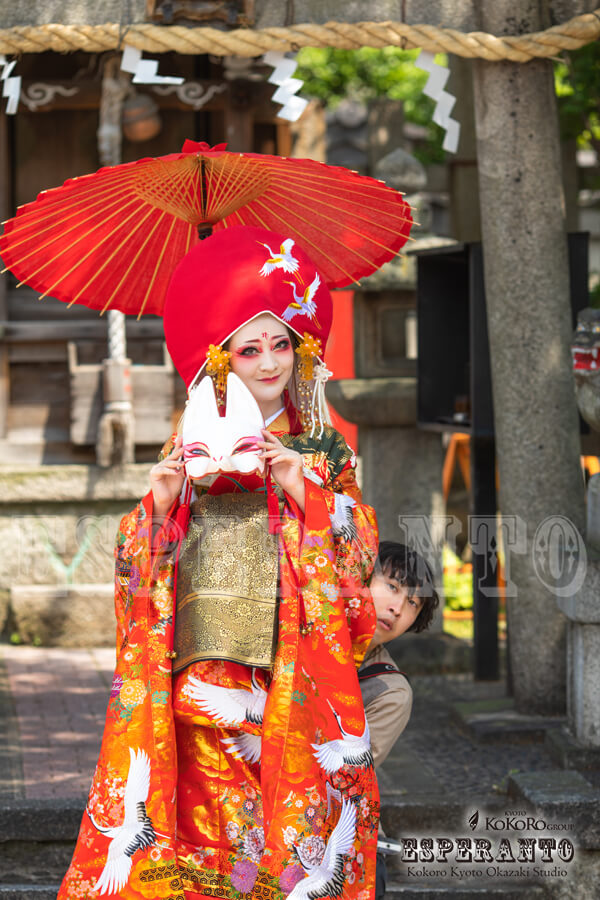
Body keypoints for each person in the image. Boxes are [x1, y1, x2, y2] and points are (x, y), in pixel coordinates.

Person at [58, 226, 381, 900]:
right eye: (248, 348)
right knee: (208, 839)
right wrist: (162, 503)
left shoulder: (323, 451)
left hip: (288, 675)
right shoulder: (193, 440)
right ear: (222, 359)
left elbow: (359, 562)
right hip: (203, 668)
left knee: (288, 846)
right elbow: (134, 566)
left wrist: (302, 488)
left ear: (301, 346)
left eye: (280, 344)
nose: (268, 362)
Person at [359, 540, 440, 900]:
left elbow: (346, 773)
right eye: (391, 587)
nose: (396, 608)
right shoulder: (295, 633)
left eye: (412, 604)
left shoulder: (389, 690)